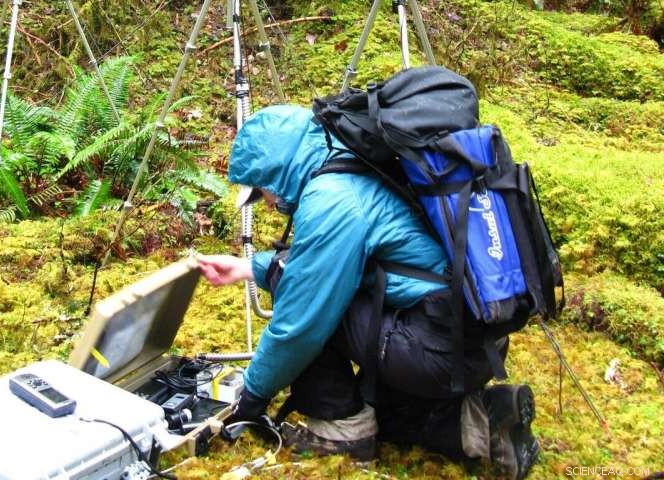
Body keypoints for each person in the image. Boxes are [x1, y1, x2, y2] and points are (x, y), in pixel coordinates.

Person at [197, 105, 539, 479]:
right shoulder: (350, 164)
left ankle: (342, 432)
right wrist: (246, 268)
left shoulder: (331, 197)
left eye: (261, 190)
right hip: (467, 343)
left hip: (435, 349)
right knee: (383, 409)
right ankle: (489, 422)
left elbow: (301, 321)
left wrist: (251, 398)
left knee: (296, 293)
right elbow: (323, 257)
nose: (266, 202)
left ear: (276, 173)